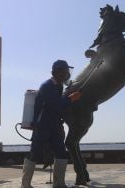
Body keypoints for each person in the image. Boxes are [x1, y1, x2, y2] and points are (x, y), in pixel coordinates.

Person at [21, 60, 82, 188]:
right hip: (42, 125)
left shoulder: (59, 86)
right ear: (55, 72)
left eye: (67, 72)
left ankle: (59, 184)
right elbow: (56, 105)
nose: (66, 74)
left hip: (55, 126)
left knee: (61, 153)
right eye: (64, 72)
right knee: (35, 153)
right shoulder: (47, 86)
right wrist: (71, 98)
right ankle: (25, 185)